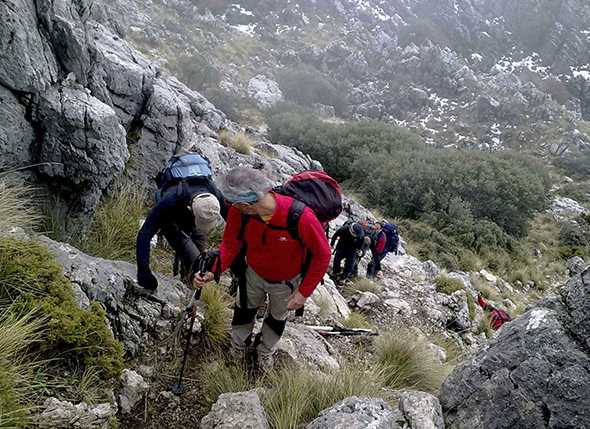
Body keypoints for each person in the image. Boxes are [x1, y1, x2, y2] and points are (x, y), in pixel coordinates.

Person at [193, 167, 331, 370]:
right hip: (253, 274)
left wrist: (303, 293)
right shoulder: (240, 214)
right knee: (243, 311)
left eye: (234, 203)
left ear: (245, 204)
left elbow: (323, 254)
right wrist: (214, 270)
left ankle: (265, 351)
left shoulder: (300, 216)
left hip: (286, 282)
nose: (231, 206)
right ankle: (238, 348)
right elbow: (230, 245)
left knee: (277, 318)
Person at [136, 178, 226, 291]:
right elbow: (145, 234)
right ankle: (188, 286)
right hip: (171, 218)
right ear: (190, 209)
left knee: (199, 262)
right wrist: (144, 271)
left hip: (195, 212)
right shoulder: (170, 200)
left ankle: (190, 287)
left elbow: (236, 228)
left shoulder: (214, 196)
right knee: (191, 255)